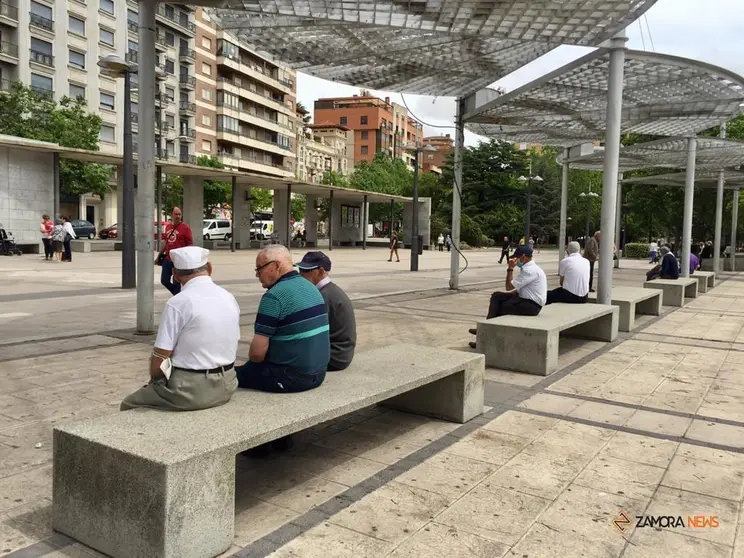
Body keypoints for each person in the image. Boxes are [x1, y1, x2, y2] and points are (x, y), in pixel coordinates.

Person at [120, 247, 240, 411]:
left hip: (191, 390)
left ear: (175, 275)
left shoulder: (179, 302)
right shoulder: (228, 297)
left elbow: (160, 357)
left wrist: (154, 382)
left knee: (129, 404)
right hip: (228, 382)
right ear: (209, 268)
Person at [236, 245, 330, 391]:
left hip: (291, 378)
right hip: (318, 374)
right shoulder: (312, 288)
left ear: (276, 265)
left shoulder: (274, 296)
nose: (257, 274)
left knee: (231, 376)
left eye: (259, 268)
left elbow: (256, 355)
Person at [468, 246, 546, 349]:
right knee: (497, 296)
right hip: (525, 300)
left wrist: (510, 268)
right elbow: (518, 289)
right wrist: (506, 295)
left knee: (500, 309)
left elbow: (508, 287)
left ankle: (485, 337)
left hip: (531, 306)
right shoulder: (531, 268)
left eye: (517, 258)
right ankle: (485, 331)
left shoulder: (530, 270)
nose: (515, 260)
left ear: (523, 257)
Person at [297, 251, 356, 371]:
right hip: (341, 354)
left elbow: (311, 332)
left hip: (335, 357)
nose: (301, 274)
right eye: (300, 270)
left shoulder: (323, 296)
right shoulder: (330, 290)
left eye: (307, 271)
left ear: (321, 271)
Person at [155, 207, 193, 296]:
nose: (178, 216)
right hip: (168, 259)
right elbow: (165, 243)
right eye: (176, 214)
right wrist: (158, 256)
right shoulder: (168, 227)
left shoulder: (185, 228)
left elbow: (190, 244)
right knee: (164, 280)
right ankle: (177, 295)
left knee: (177, 283)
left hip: (179, 260)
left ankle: (177, 296)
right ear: (171, 214)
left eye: (180, 214)